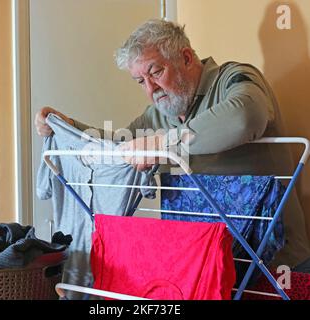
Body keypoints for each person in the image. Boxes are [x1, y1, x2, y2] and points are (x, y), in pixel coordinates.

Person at [35, 19, 310, 272]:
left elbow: (245, 117)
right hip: (206, 267)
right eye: (141, 81)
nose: (150, 88)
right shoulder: (157, 115)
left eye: (156, 72)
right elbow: (117, 148)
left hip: (276, 266)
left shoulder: (234, 78)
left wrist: (165, 142)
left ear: (186, 58)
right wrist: (66, 126)